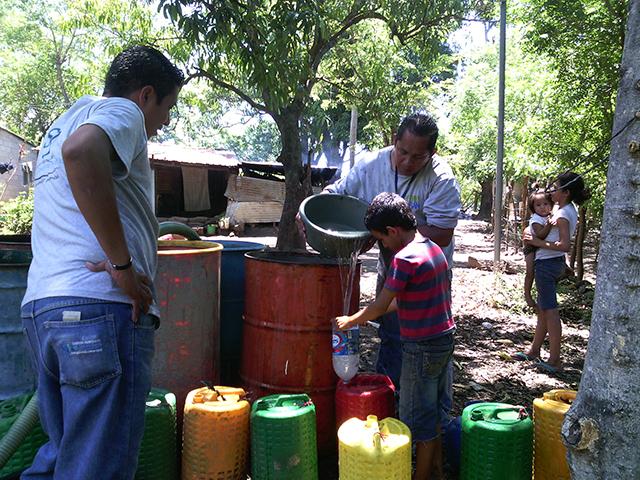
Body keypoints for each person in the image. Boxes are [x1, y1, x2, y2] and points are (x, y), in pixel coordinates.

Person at [20, 46, 184, 480]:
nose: (164, 121)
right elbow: (83, 153)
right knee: (96, 468)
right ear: (146, 95)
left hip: (44, 311)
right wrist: (125, 268)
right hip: (101, 311)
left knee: (65, 456)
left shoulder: (61, 123)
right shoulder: (123, 112)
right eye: (167, 108)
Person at [324, 112, 460, 420]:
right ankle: (389, 398)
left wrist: (392, 235)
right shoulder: (371, 165)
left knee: (427, 341)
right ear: (393, 142)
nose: (407, 161)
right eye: (402, 152)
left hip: (429, 277)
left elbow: (442, 231)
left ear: (431, 153)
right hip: (393, 266)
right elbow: (338, 194)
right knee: (393, 335)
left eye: (417, 156)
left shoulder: (441, 178)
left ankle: (436, 412)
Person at [334, 192, 454, 480]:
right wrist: (374, 314)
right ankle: (436, 470)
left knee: (417, 420)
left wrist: (351, 320)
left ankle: (421, 476)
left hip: (420, 347)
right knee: (436, 412)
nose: (383, 246)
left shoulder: (404, 259)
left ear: (392, 231)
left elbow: (379, 304)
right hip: (444, 341)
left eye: (381, 240)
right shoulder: (432, 248)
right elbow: (405, 300)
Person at [513, 172, 591, 373]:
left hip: (547, 264)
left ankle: (555, 359)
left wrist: (536, 242)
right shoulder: (564, 209)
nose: (551, 191)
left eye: (555, 187)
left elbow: (564, 245)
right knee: (544, 309)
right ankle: (534, 350)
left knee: (551, 311)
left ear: (565, 193)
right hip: (550, 263)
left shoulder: (563, 214)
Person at [522, 188, 554, 307]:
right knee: (530, 272)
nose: (542, 207)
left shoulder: (551, 216)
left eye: (545, 204)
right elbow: (540, 235)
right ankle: (527, 295)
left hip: (543, 248)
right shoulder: (536, 219)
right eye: (538, 205)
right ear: (533, 208)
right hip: (531, 247)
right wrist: (549, 226)